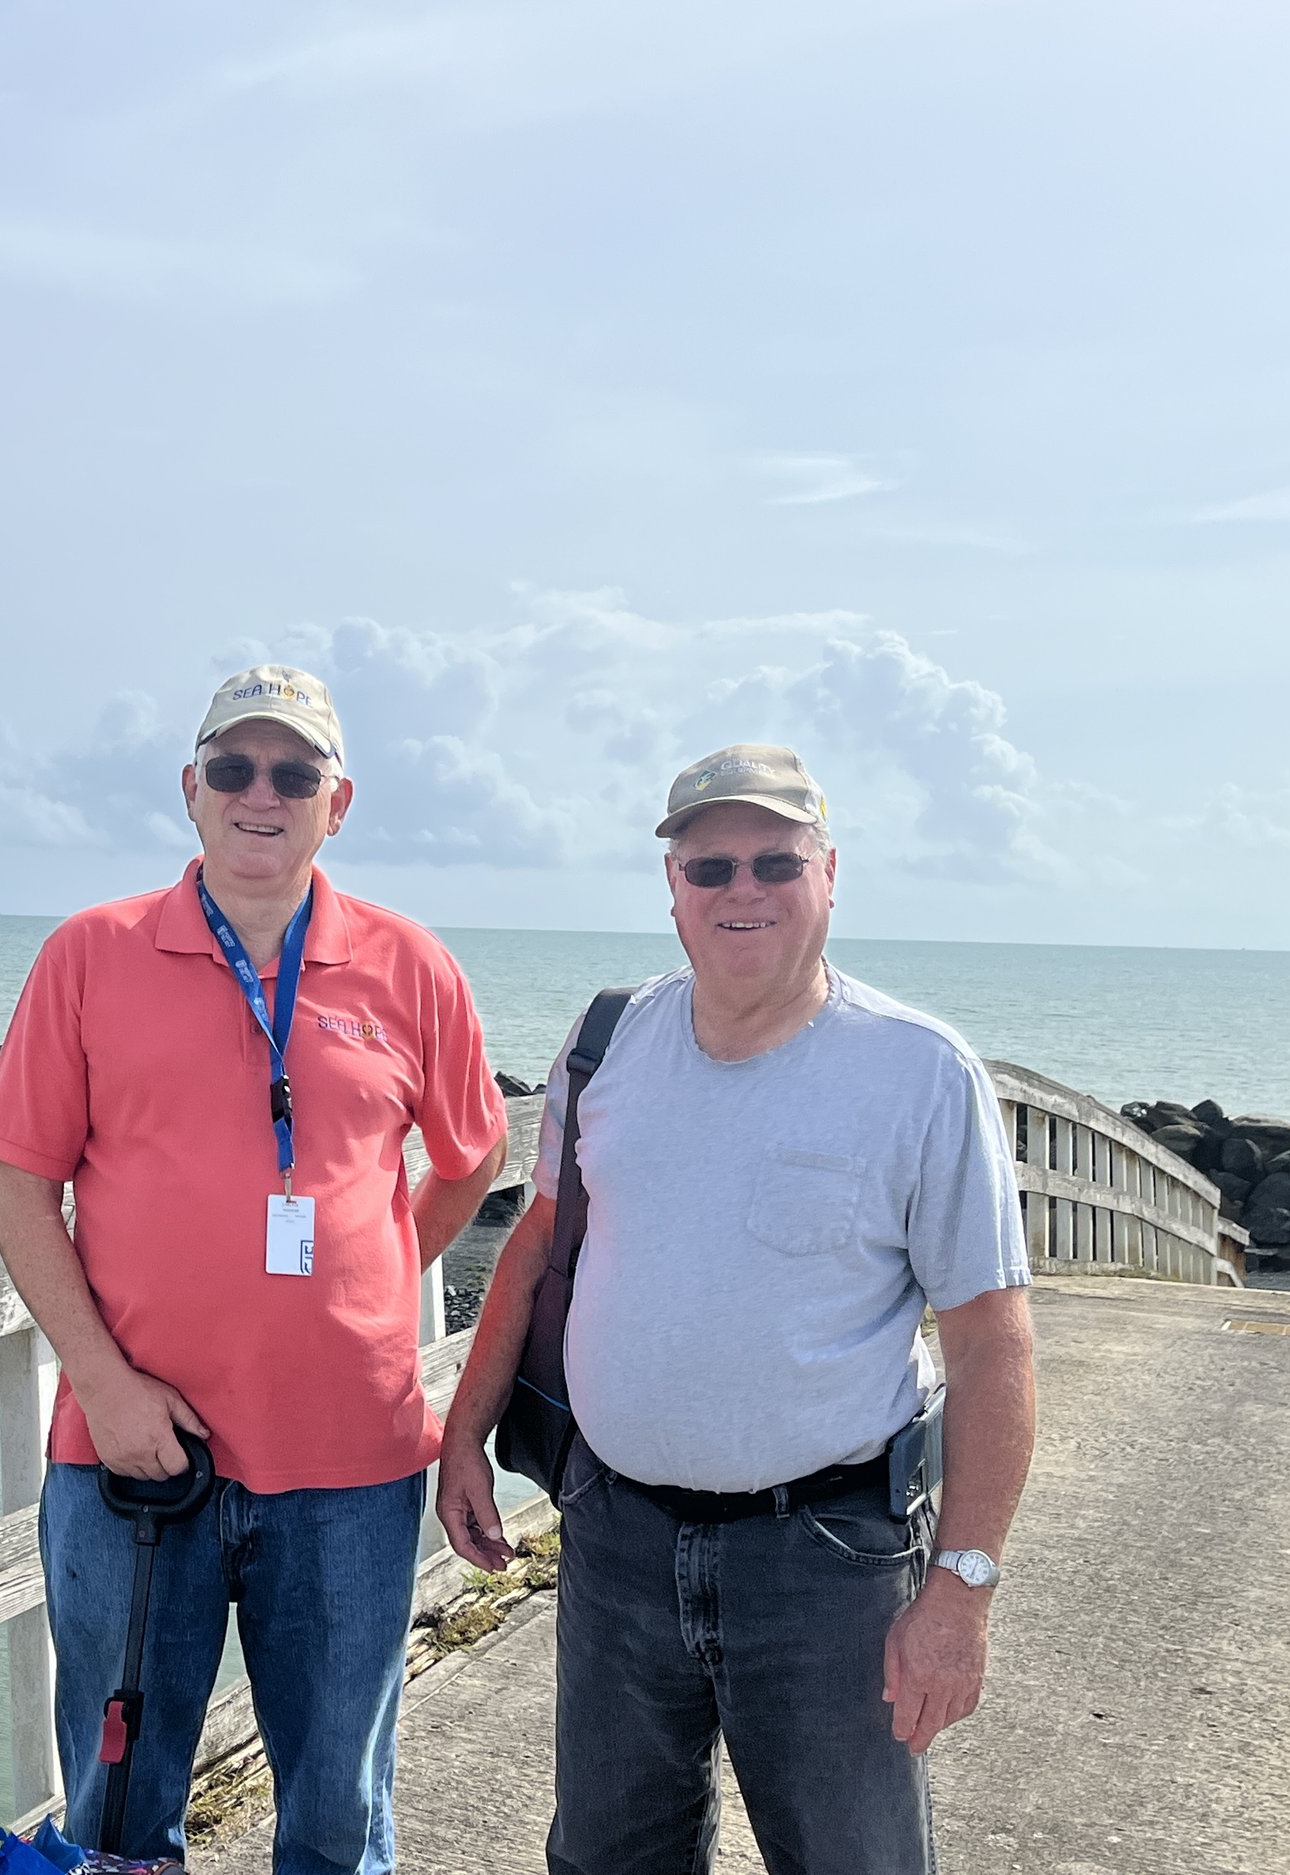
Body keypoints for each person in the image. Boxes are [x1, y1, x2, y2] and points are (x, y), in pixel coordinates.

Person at [436, 743, 1037, 1875]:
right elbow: (537, 1240)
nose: (741, 891)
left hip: (826, 1557)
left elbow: (991, 1342)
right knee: (607, 1857)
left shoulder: (919, 1070)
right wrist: (463, 1433)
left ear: (828, 873)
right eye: (709, 868)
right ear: (672, 885)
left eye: (775, 861)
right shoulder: (607, 1038)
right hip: (613, 1536)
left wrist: (961, 1589)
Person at [0, 664, 510, 1875]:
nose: (259, 794)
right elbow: (19, 1188)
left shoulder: (409, 963)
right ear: (190, 789)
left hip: (350, 1464)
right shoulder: (89, 953)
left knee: (335, 1816)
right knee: (116, 1818)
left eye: (293, 772)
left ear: (340, 800)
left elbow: (472, 1158)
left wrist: (374, 1279)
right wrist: (105, 1387)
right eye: (233, 768)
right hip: (133, 1460)